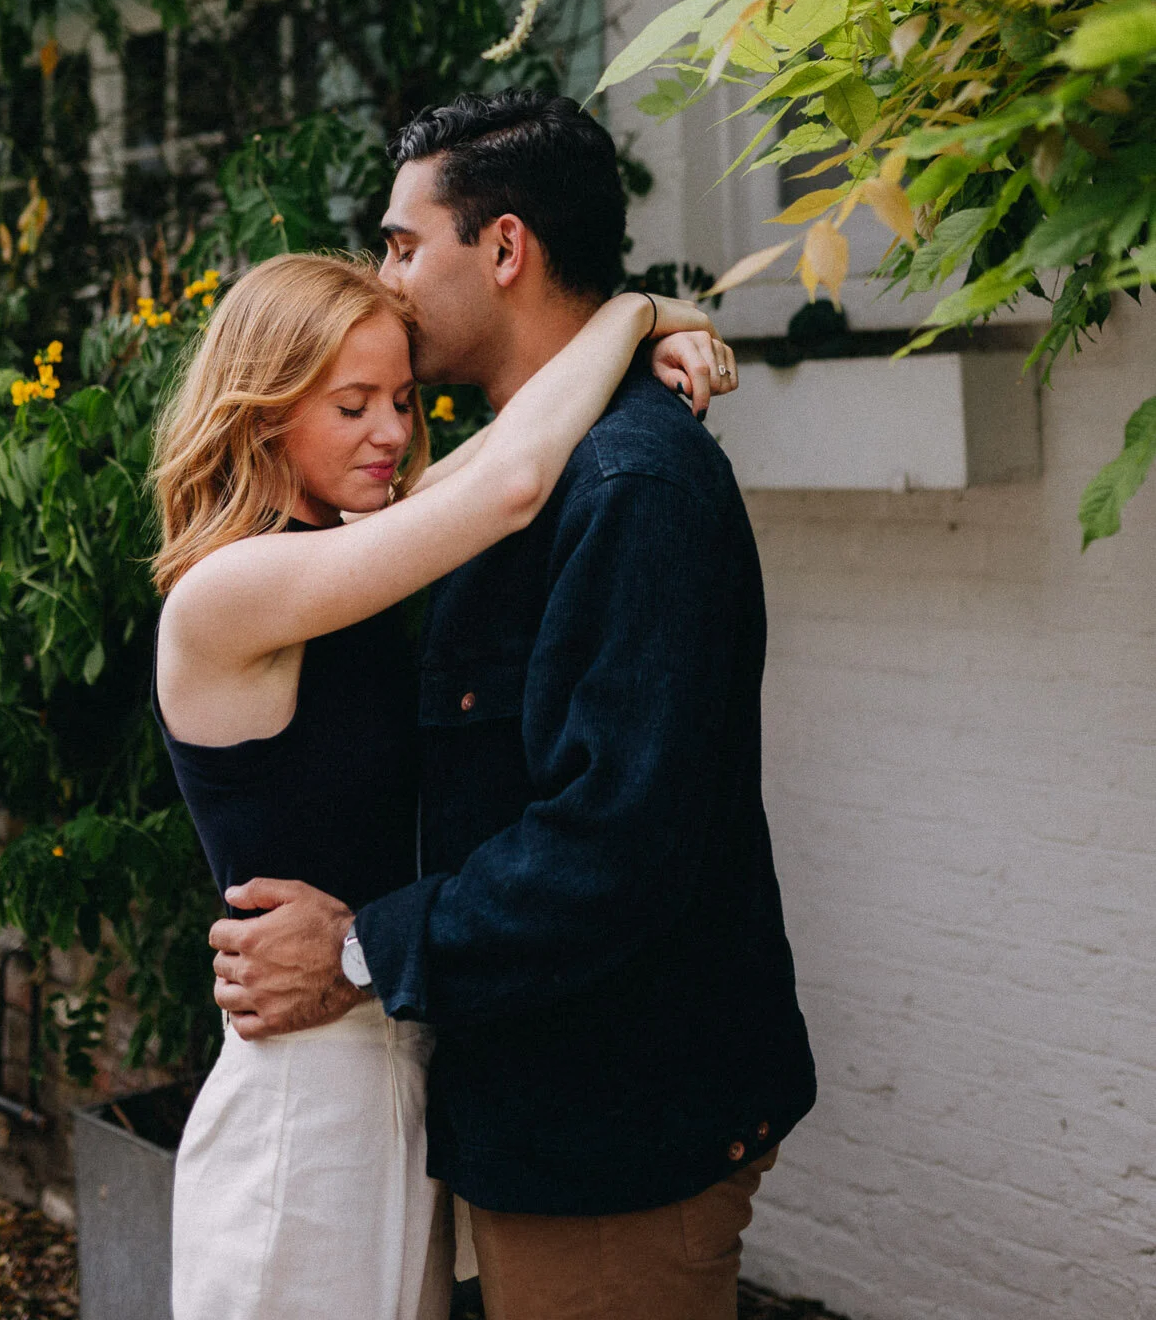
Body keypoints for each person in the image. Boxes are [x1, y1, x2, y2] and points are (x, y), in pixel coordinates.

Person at [209, 91, 817, 1320]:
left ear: (502, 249)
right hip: (526, 1099)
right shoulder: (511, 474)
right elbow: (503, 474)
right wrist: (646, 320)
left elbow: (612, 841)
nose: (385, 271)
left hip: (614, 1123)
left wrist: (356, 946)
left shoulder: (627, 481)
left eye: (401, 241)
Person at [151, 242, 729, 1320]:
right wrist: (639, 306)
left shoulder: (349, 536)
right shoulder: (230, 591)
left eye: (405, 400)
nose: (391, 432)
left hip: (390, 1058)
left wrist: (651, 335)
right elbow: (511, 481)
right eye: (352, 403)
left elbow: (515, 445)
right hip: (305, 1099)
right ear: (262, 410)